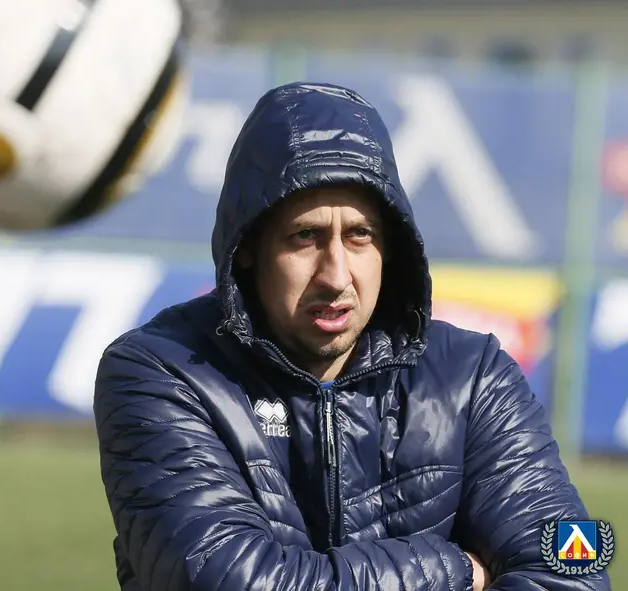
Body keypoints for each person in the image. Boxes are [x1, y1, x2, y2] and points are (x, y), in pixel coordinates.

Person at [94, 81, 611, 591]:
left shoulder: (474, 377)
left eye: (360, 236)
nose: (336, 276)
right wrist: (452, 570)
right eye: (306, 237)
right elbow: (227, 580)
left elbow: (576, 568)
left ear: (392, 245)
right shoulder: (161, 372)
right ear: (247, 246)